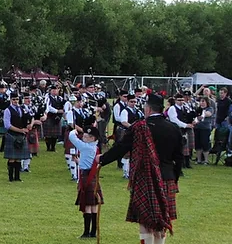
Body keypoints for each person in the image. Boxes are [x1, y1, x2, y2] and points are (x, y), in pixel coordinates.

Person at [99, 93, 182, 244]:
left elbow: (121, 147)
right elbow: (179, 157)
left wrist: (102, 160)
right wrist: (174, 178)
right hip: (167, 177)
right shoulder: (174, 128)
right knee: (162, 219)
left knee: (145, 221)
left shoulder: (138, 127)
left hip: (145, 177)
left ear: (148, 109)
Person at [68, 126, 103, 238]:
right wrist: (78, 161)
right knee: (93, 206)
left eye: (86, 136)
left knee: (87, 205)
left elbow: (72, 137)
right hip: (93, 177)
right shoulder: (95, 147)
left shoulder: (86, 147)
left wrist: (74, 130)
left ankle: (86, 232)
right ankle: (93, 232)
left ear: (92, 138)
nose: (83, 138)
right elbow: (87, 162)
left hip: (86, 177)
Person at [3, 92, 31, 182]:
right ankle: (11, 178)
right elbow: (7, 125)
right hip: (12, 135)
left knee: (19, 158)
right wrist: (21, 130)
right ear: (10, 100)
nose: (15, 101)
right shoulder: (7, 110)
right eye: (14, 99)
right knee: (12, 158)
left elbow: (29, 117)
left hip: (21, 135)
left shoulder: (22, 109)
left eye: (17, 99)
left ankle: (17, 177)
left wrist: (29, 125)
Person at [167, 94, 196, 169]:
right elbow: (174, 120)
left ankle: (187, 162)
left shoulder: (186, 107)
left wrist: (193, 121)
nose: (181, 102)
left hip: (186, 128)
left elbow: (191, 115)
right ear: (175, 100)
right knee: (181, 146)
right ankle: (181, 162)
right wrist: (185, 125)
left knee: (188, 145)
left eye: (182, 100)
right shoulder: (172, 108)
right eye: (179, 100)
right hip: (177, 129)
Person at [194, 98, 215, 165]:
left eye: (203, 101)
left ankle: (206, 160)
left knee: (205, 143)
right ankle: (199, 159)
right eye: (201, 101)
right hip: (197, 128)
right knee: (198, 144)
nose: (202, 103)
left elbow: (208, 114)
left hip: (205, 129)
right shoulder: (197, 109)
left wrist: (201, 114)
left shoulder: (210, 108)